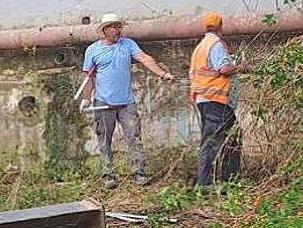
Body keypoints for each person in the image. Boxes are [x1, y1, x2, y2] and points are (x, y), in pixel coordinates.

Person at [79, 13, 175, 189]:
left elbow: (145, 58)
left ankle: (139, 172)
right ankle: (108, 174)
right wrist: (86, 98)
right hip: (103, 102)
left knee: (134, 136)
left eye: (119, 26)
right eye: (114, 27)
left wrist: (162, 74)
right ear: (105, 30)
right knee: (104, 139)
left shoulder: (128, 44)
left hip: (126, 103)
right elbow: (88, 77)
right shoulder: (92, 50)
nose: (118, 30)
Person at [188, 12, 248, 187]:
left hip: (205, 99)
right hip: (215, 100)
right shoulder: (215, 45)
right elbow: (224, 69)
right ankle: (207, 183)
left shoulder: (201, 46)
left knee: (231, 136)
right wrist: (240, 67)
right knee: (214, 141)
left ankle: (227, 178)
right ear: (221, 26)